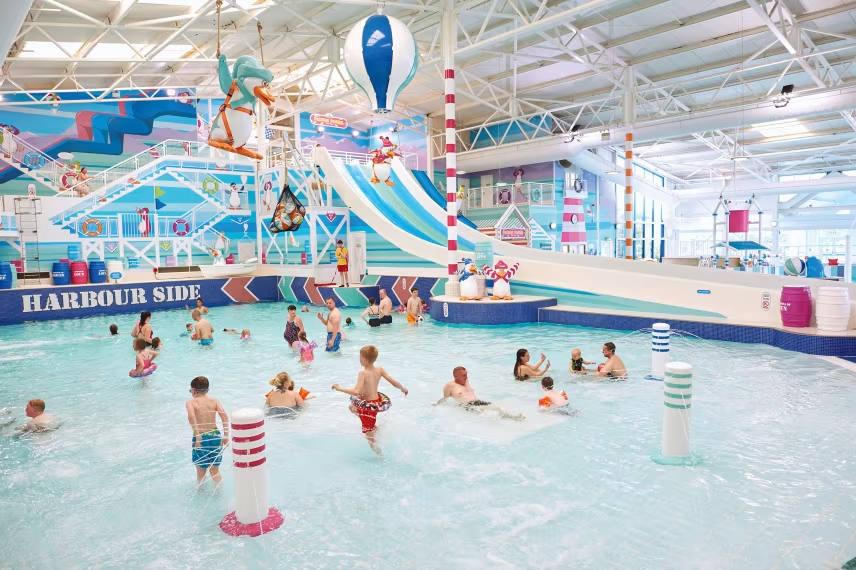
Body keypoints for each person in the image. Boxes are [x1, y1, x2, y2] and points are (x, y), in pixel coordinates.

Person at [332, 345, 408, 455]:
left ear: (364, 360)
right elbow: (394, 382)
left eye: (360, 357)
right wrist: (403, 389)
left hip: (368, 407)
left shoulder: (363, 373)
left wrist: (339, 388)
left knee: (370, 439)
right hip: (377, 401)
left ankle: (380, 455)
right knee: (352, 407)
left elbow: (356, 391)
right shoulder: (380, 369)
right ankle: (373, 427)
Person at [186, 376, 229, 486]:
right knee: (215, 470)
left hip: (201, 437)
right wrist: (226, 436)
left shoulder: (191, 403)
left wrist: (198, 434)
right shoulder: (214, 401)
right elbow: (224, 416)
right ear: (208, 390)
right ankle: (218, 492)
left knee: (201, 470)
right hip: (215, 436)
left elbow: (191, 416)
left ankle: (200, 492)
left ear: (194, 390)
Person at [435, 366, 523, 420]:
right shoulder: (449, 385)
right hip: (468, 406)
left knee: (497, 408)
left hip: (477, 402)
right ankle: (512, 419)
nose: (466, 377)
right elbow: (446, 398)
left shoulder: (466, 381)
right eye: (463, 375)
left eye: (466, 374)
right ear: (455, 376)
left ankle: (512, 418)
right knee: (491, 414)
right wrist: (436, 404)